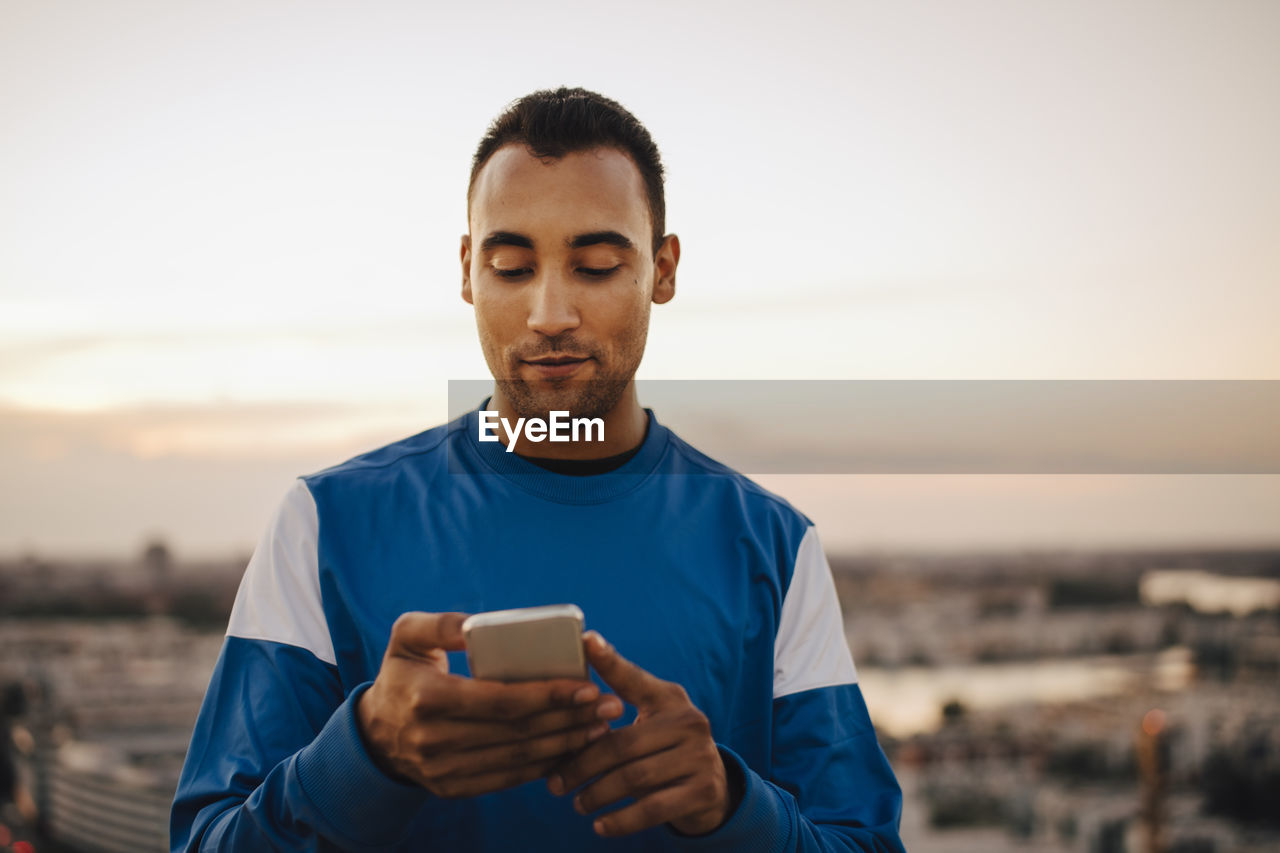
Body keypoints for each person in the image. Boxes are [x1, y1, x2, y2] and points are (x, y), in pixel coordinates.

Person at [170, 86, 905, 852]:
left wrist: (731, 805)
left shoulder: (775, 548)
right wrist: (364, 751)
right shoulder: (322, 526)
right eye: (513, 266)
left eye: (593, 265)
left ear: (662, 268)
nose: (550, 313)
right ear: (467, 272)